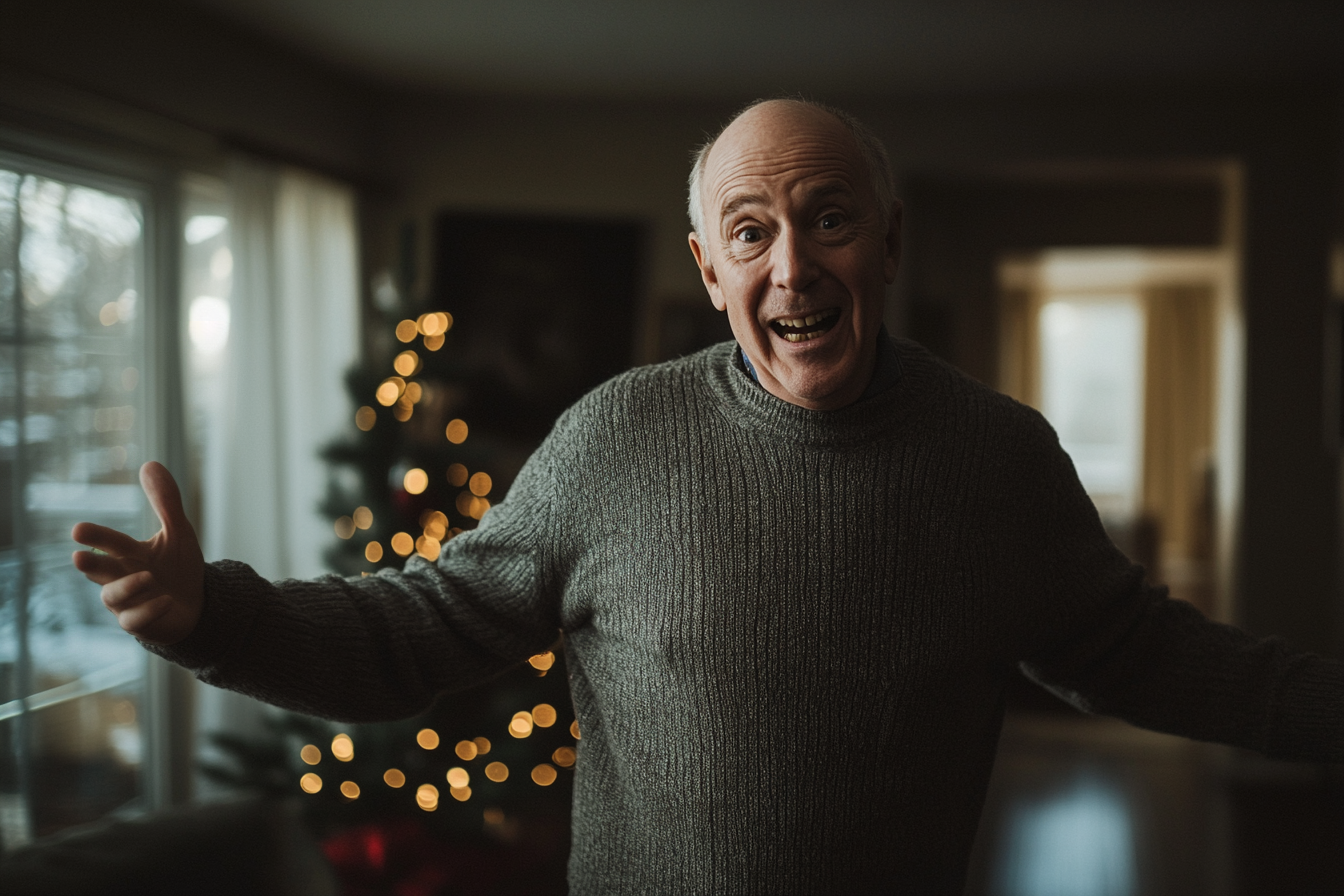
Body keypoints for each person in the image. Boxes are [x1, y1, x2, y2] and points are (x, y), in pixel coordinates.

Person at [72, 99, 1343, 895]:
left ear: (889, 243)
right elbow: (418, 629)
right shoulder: (617, 436)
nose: (794, 264)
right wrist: (210, 618)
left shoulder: (999, 460)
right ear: (709, 264)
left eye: (830, 218)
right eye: (752, 230)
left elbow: (1143, 654)